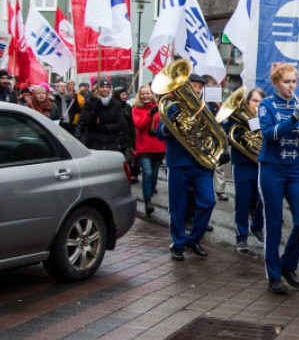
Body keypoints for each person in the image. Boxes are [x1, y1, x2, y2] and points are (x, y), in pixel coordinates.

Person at [257, 63, 299, 295]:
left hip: (295, 168)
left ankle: (288, 265)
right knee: (274, 223)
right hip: (272, 167)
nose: (292, 86)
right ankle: (273, 275)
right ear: (276, 84)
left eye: (294, 82)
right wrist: (293, 118)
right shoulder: (266, 105)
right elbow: (269, 135)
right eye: (287, 82)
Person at [157, 71, 226, 261]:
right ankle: (178, 243)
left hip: (200, 163)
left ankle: (194, 239)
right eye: (194, 86)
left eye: (199, 87)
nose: (197, 90)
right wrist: (173, 124)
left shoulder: (205, 108)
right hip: (178, 162)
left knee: (208, 201)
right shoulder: (171, 106)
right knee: (177, 205)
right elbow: (159, 134)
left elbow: (214, 132)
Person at [224, 87, 265, 254]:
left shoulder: (266, 117)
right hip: (242, 165)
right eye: (254, 101)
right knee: (243, 201)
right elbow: (226, 130)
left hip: (261, 165)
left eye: (261, 102)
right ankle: (241, 237)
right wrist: (242, 130)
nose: (257, 104)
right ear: (247, 102)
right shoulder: (236, 117)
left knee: (264, 198)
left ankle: (255, 226)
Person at [132, 84, 165, 217]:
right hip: (144, 147)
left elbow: (163, 125)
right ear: (139, 95)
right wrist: (149, 114)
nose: (145, 96)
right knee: (147, 173)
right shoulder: (136, 109)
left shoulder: (158, 107)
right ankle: (148, 201)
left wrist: (157, 130)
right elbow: (139, 125)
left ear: (152, 94)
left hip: (158, 146)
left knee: (154, 176)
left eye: (148, 93)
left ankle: (150, 193)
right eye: (143, 94)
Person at [74, 77, 127, 151]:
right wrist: (96, 110)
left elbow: (121, 124)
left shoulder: (116, 104)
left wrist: (106, 128)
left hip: (111, 143)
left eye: (107, 87)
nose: (105, 89)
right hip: (94, 143)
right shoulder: (90, 103)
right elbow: (85, 122)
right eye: (102, 87)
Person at [203, 75, 229, 202]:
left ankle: (220, 190)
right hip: (204, 141)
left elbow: (222, 121)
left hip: (216, 140)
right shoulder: (201, 103)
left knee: (219, 167)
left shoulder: (216, 104)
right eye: (209, 88)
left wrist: (220, 108)